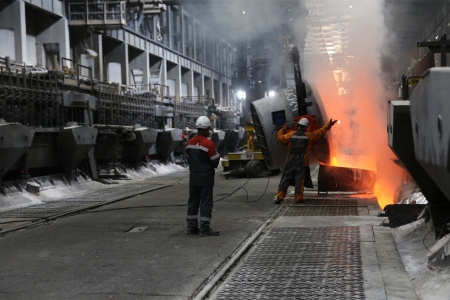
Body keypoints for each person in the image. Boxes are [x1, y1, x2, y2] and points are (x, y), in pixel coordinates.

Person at [275, 117, 337, 204]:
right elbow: (319, 132)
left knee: (285, 178)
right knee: (299, 179)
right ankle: (298, 198)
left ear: (299, 126)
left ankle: (280, 196)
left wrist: (282, 129)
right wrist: (328, 125)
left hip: (291, 160)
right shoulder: (308, 136)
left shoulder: (291, 135)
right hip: (301, 161)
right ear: (306, 127)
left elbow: (280, 138)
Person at [186, 116, 221, 236]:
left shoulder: (189, 143)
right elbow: (215, 162)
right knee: (205, 203)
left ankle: (191, 227)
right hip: (206, 178)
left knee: (193, 202)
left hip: (193, 177)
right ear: (207, 129)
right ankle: (205, 229)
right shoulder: (209, 143)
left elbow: (188, 158)